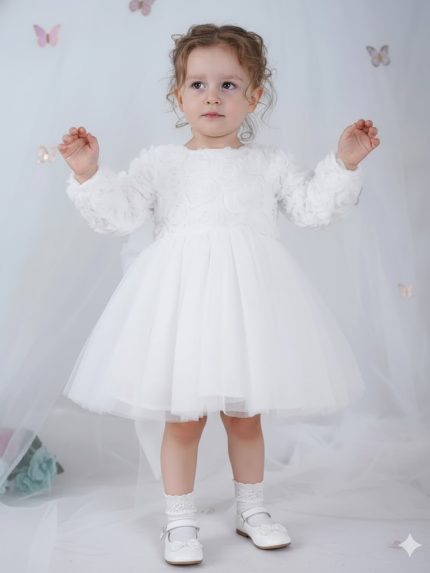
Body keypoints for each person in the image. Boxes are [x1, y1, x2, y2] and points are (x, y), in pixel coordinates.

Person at [57, 23, 380, 566]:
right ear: (177, 96)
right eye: (198, 84)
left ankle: (252, 509)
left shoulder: (268, 164)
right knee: (183, 419)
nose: (212, 96)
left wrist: (343, 163)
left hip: (249, 309)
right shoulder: (160, 163)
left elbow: (310, 208)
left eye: (228, 85)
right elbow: (121, 215)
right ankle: (179, 520)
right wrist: (89, 173)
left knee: (245, 416)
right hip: (181, 309)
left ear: (254, 96)